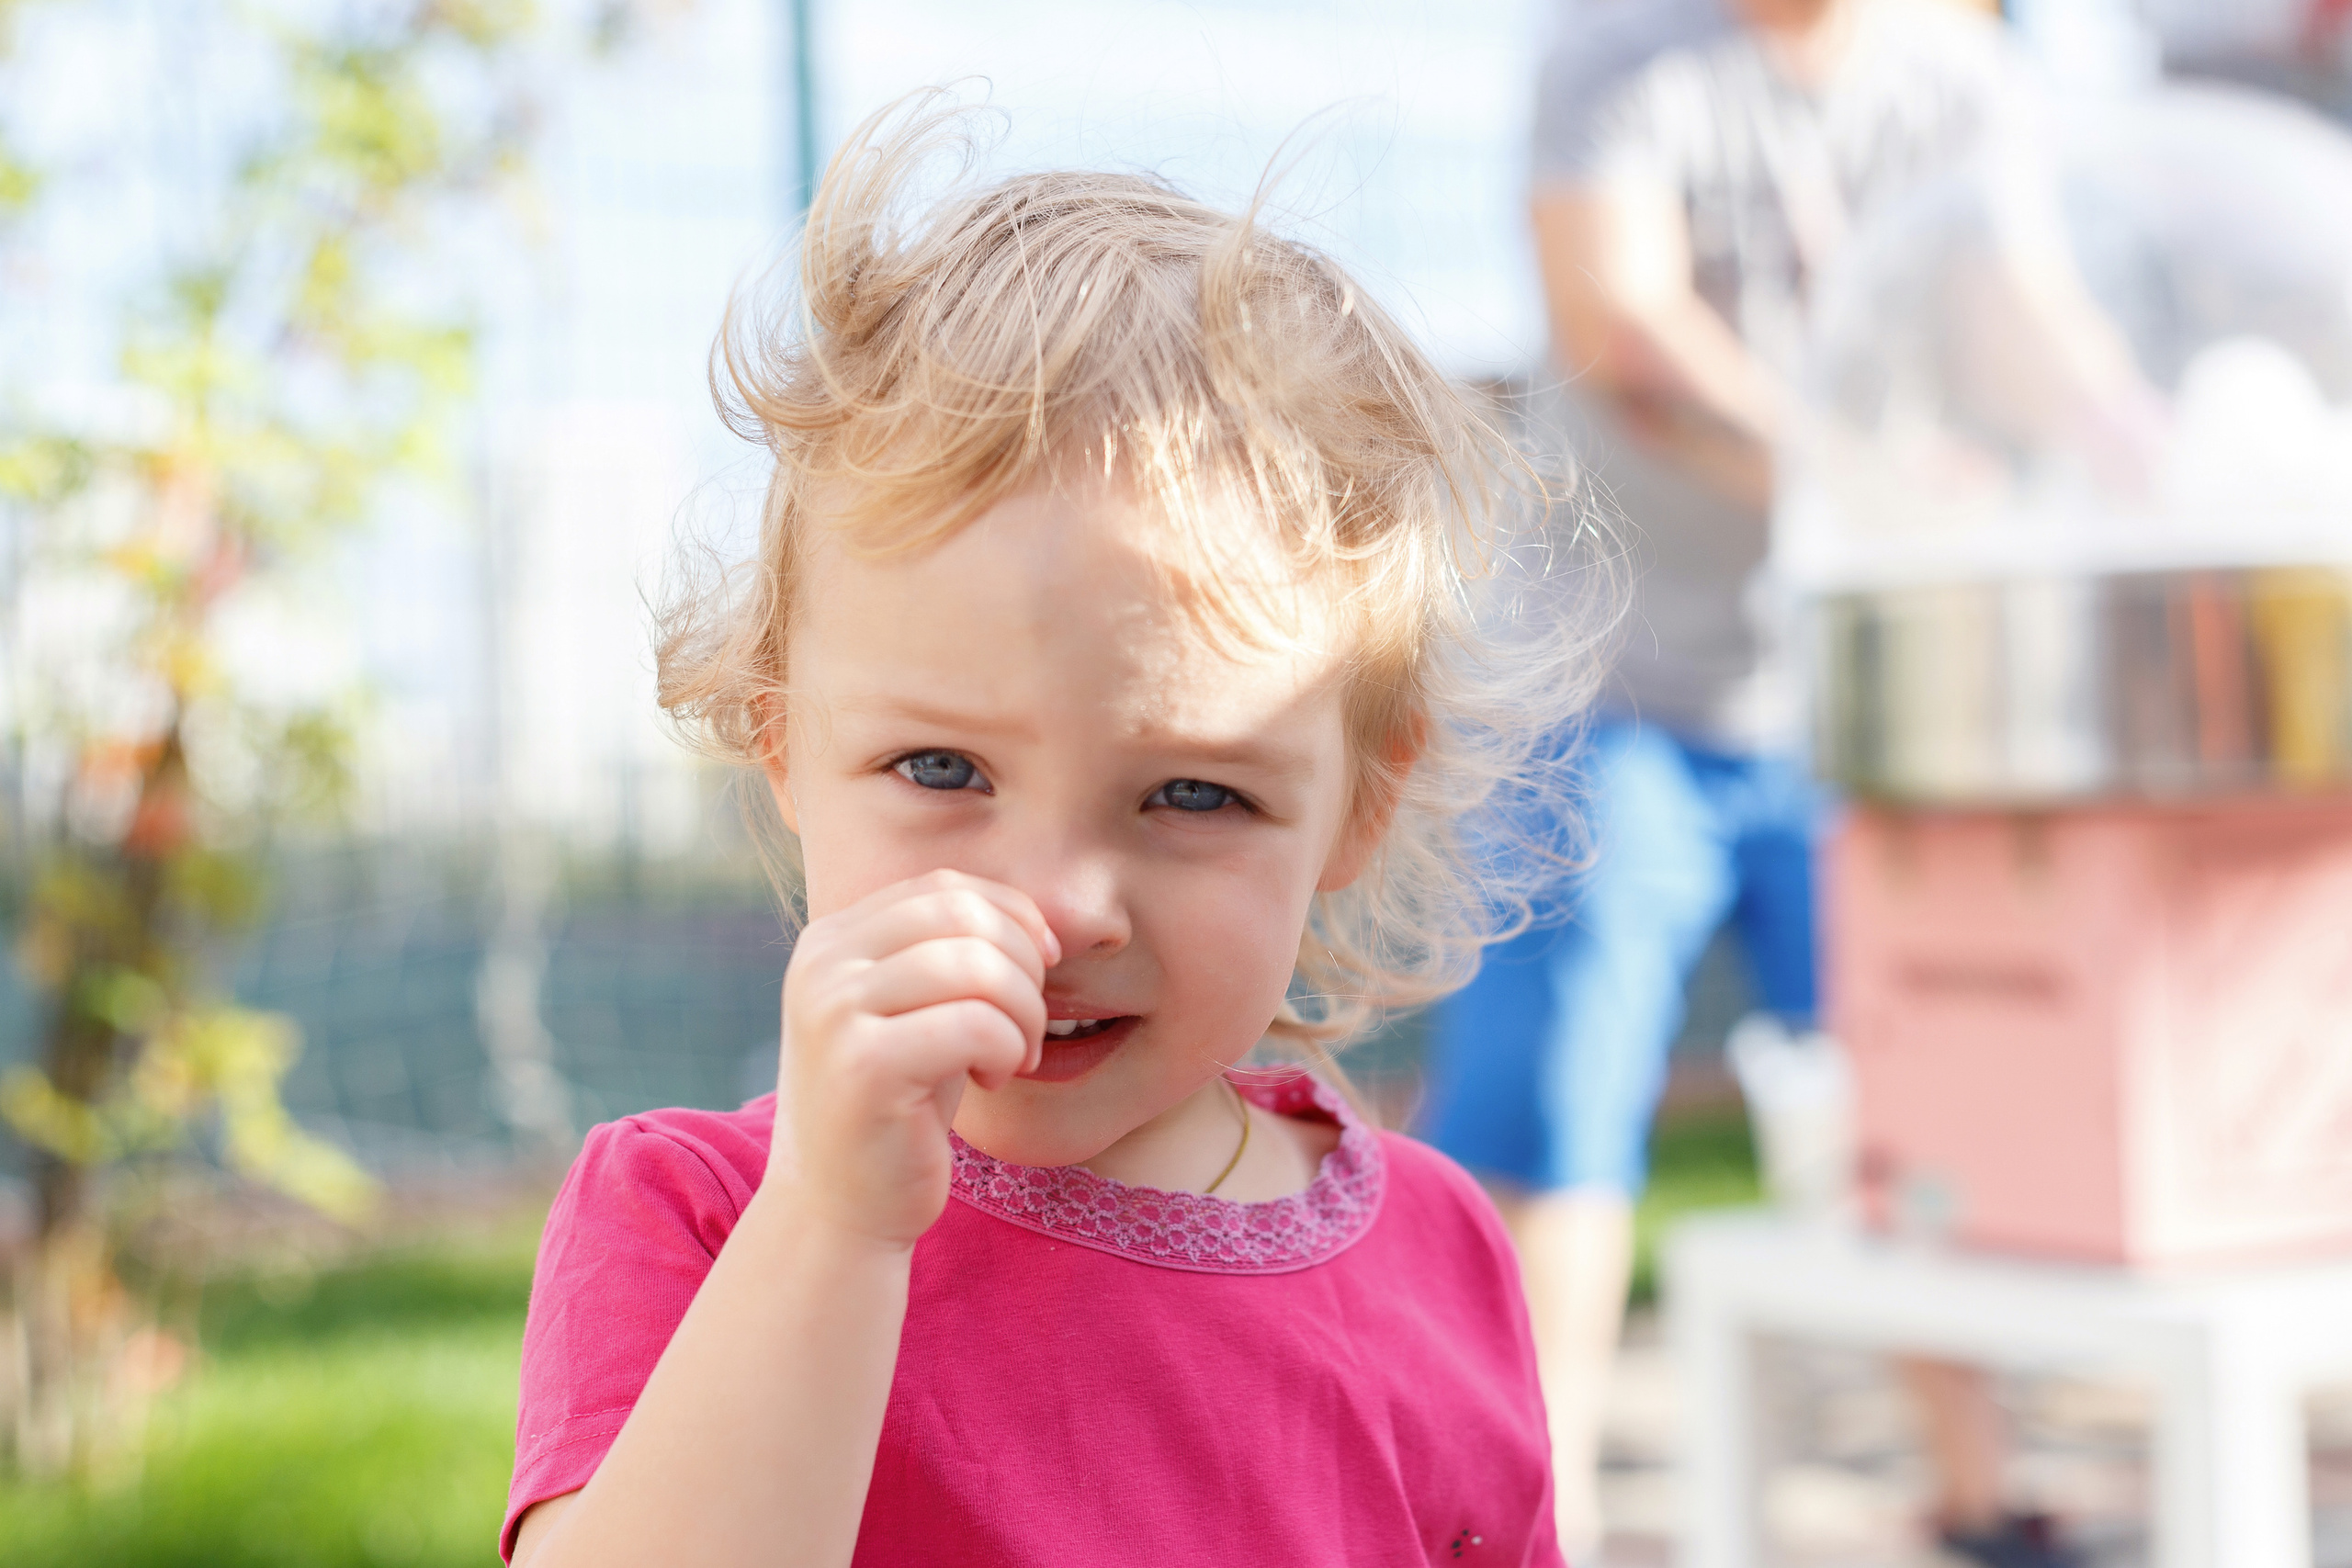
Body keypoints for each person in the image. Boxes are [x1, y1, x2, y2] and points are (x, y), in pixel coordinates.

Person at [498, 93, 1611, 1568]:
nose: (1060, 900)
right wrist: (833, 1224)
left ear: (1364, 803)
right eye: (942, 768)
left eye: (1196, 794)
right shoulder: (692, 1218)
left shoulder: (1442, 1249)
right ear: (785, 751)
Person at [1421, 3, 2091, 1566]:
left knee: (1918, 1094)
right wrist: (1855, 462)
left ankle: (1980, 1492)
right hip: (1602, 679)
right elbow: (1626, 329)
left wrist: (2130, 444)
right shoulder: (1618, 54)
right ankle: (1541, 1516)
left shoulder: (1959, 74)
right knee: (1560, 1116)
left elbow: (2021, 309)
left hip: (1850, 697)